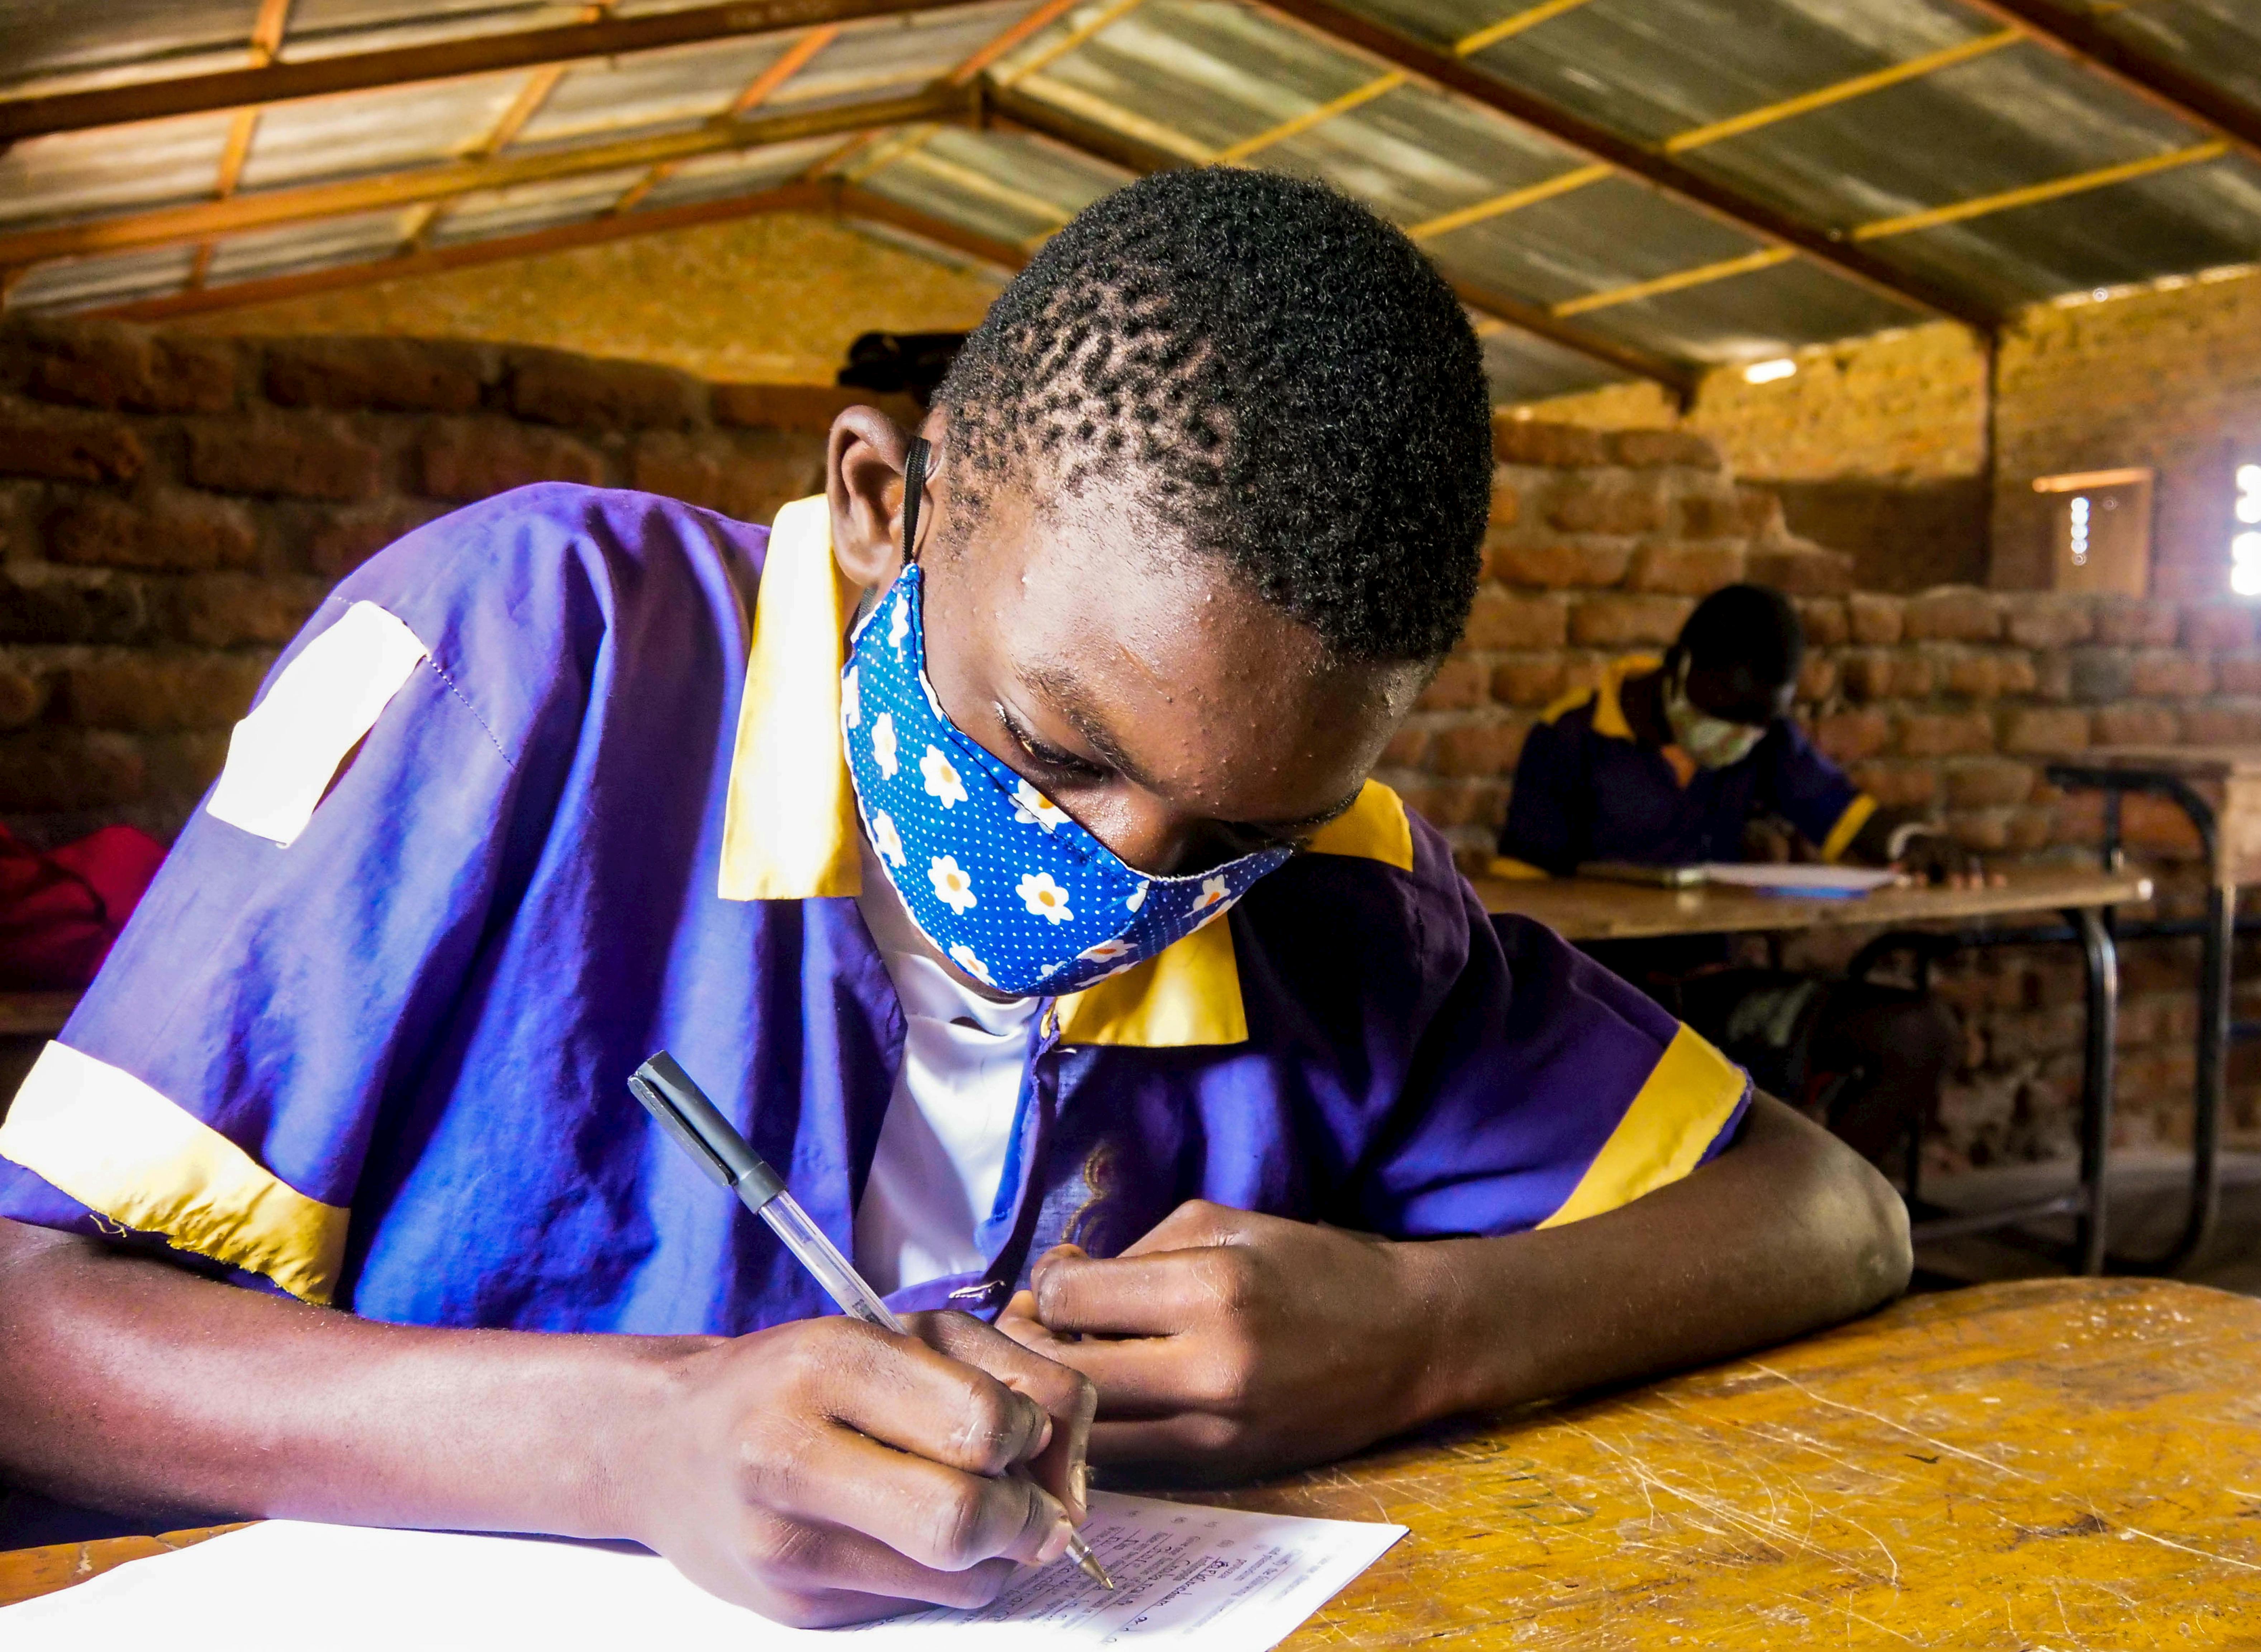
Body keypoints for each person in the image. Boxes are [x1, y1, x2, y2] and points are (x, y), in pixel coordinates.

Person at [0, 171, 1909, 1626]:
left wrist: (1428, 1330)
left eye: (1235, 822)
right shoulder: (528, 659)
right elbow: (27, 1326)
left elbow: (1831, 1212)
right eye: (1060, 752)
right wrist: (635, 1435)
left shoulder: (1346, 901)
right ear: (882, 500)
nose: (1122, 880)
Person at [1495, 585, 1965, 1173]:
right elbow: (1521, 907)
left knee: (1918, 1034)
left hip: (1719, 996)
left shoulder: (1762, 740)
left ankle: (1812, 1216)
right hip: (1605, 1002)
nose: (1736, 735)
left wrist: (1910, 843)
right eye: (1724, 714)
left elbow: (1837, 810)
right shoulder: (1571, 737)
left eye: (1757, 723)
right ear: (1682, 666)